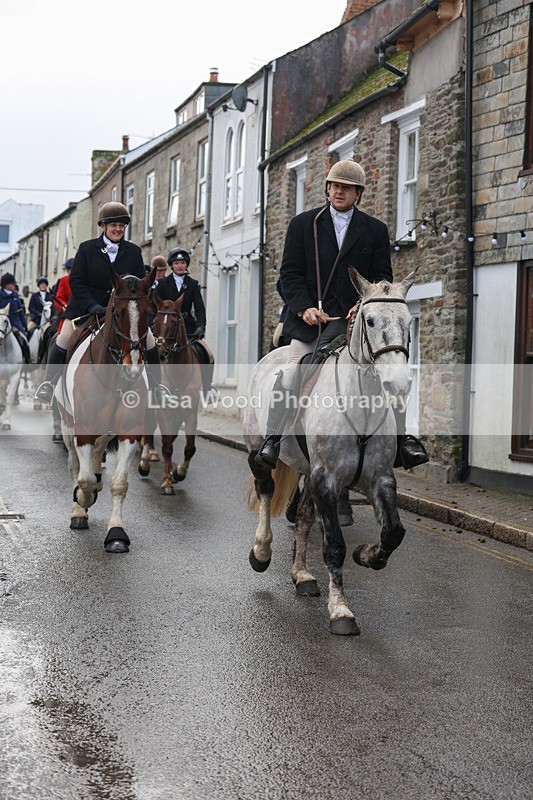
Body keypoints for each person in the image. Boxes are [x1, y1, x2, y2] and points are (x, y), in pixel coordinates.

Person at [254, 158, 429, 471]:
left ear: (358, 193)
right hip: (311, 325)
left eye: (346, 187)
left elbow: (382, 279)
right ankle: (273, 439)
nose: (339, 191)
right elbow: (289, 275)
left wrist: (362, 304)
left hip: (356, 324)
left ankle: (403, 442)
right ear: (327, 188)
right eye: (334, 185)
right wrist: (304, 307)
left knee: (392, 372)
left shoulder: (374, 230)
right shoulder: (302, 224)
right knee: (292, 373)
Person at [34, 202, 169, 405]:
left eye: (122, 225)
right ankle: (48, 384)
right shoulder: (87, 249)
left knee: (148, 339)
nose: (118, 229)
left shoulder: (133, 251)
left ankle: (157, 387)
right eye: (113, 225)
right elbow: (77, 282)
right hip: (86, 309)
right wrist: (91, 306)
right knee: (63, 338)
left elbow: (142, 285)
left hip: (122, 312)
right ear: (103, 226)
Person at [154, 247, 217, 398]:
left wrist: (201, 327)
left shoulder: (193, 284)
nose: (180, 266)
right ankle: (153, 388)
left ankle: (208, 389)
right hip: (166, 331)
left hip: (188, 330)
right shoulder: (163, 284)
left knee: (208, 354)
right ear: (172, 265)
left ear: (187, 264)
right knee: (151, 354)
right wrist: (154, 326)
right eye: (177, 263)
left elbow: (200, 308)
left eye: (183, 263)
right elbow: (153, 307)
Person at [0, 272, 30, 363]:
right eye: (13, 283)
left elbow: (20, 312)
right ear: (7, 284)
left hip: (14, 323)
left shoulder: (15, 295)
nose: (14, 285)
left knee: (23, 339)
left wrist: (25, 325)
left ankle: (27, 360)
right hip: (1, 323)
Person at [52, 258, 74, 331]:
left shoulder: (85, 280)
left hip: (85, 316)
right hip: (68, 315)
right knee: (61, 340)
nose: (72, 272)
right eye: (70, 270)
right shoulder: (64, 280)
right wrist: (63, 306)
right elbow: (59, 298)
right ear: (68, 271)